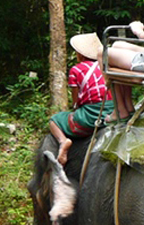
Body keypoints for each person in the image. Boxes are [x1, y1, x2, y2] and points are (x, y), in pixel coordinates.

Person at [48, 32, 114, 165]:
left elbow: (76, 99)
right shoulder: (107, 65)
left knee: (54, 120)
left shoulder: (76, 70)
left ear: (80, 54)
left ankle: (63, 142)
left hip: (91, 115)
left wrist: (75, 107)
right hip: (113, 111)